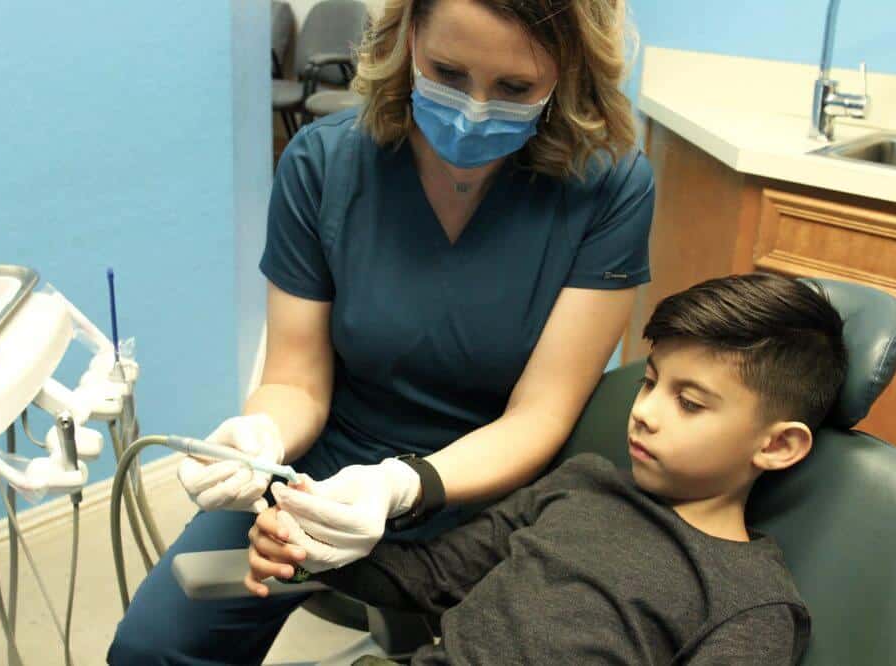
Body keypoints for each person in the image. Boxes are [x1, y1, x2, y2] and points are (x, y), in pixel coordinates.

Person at [108, 0, 653, 663]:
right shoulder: (324, 164)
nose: (473, 110)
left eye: (514, 88)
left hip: (495, 494)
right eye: (448, 72)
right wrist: (261, 437)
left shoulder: (610, 187)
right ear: (407, 37)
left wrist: (401, 486)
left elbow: (539, 416)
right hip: (321, 478)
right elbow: (295, 380)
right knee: (153, 649)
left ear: (567, 73)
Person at [250, 273, 848, 665]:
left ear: (777, 446)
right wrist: (307, 548)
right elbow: (429, 576)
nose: (644, 413)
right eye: (650, 382)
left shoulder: (751, 606)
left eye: (689, 403)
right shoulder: (582, 483)